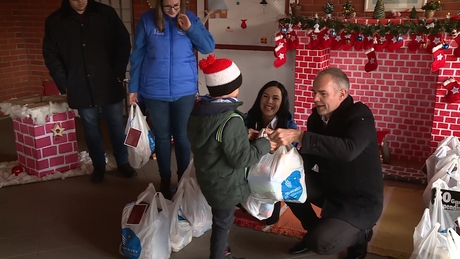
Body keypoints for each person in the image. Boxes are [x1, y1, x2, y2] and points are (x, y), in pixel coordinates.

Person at [268, 68, 384, 258]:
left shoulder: (360, 115)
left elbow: (348, 150)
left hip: (359, 202)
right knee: (287, 183)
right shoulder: (316, 119)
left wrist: (300, 136)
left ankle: (361, 235)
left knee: (321, 243)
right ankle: (315, 229)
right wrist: (282, 157)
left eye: (323, 93)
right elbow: (310, 157)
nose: (315, 99)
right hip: (331, 188)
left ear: (342, 94)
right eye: (314, 93)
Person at [187, 55, 275, 259]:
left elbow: (214, 139)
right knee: (222, 224)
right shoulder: (231, 119)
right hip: (225, 184)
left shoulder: (200, 111)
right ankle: (218, 256)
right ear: (234, 86)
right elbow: (241, 159)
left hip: (209, 178)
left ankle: (223, 251)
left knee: (220, 218)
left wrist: (241, 133)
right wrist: (263, 144)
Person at [128, 0, 215, 199]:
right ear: (159, 4)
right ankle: (165, 181)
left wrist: (191, 29)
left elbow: (208, 46)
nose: (173, 11)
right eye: (168, 7)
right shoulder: (147, 20)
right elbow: (138, 55)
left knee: (183, 136)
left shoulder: (190, 18)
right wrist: (133, 88)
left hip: (184, 90)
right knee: (162, 136)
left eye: (176, 5)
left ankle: (183, 181)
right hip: (154, 90)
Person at [42, 0, 136, 183]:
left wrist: (117, 72)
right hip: (79, 84)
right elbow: (51, 55)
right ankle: (98, 165)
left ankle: (123, 162)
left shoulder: (105, 14)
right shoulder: (55, 21)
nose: (81, 0)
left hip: (108, 82)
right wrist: (64, 82)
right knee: (90, 127)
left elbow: (123, 43)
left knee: (117, 124)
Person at [244, 80, 298, 225]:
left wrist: (277, 142)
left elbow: (293, 151)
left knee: (271, 219)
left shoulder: (288, 124)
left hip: (269, 177)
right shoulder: (249, 118)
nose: (269, 102)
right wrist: (244, 134)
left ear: (282, 102)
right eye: (265, 96)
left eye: (275, 98)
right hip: (247, 170)